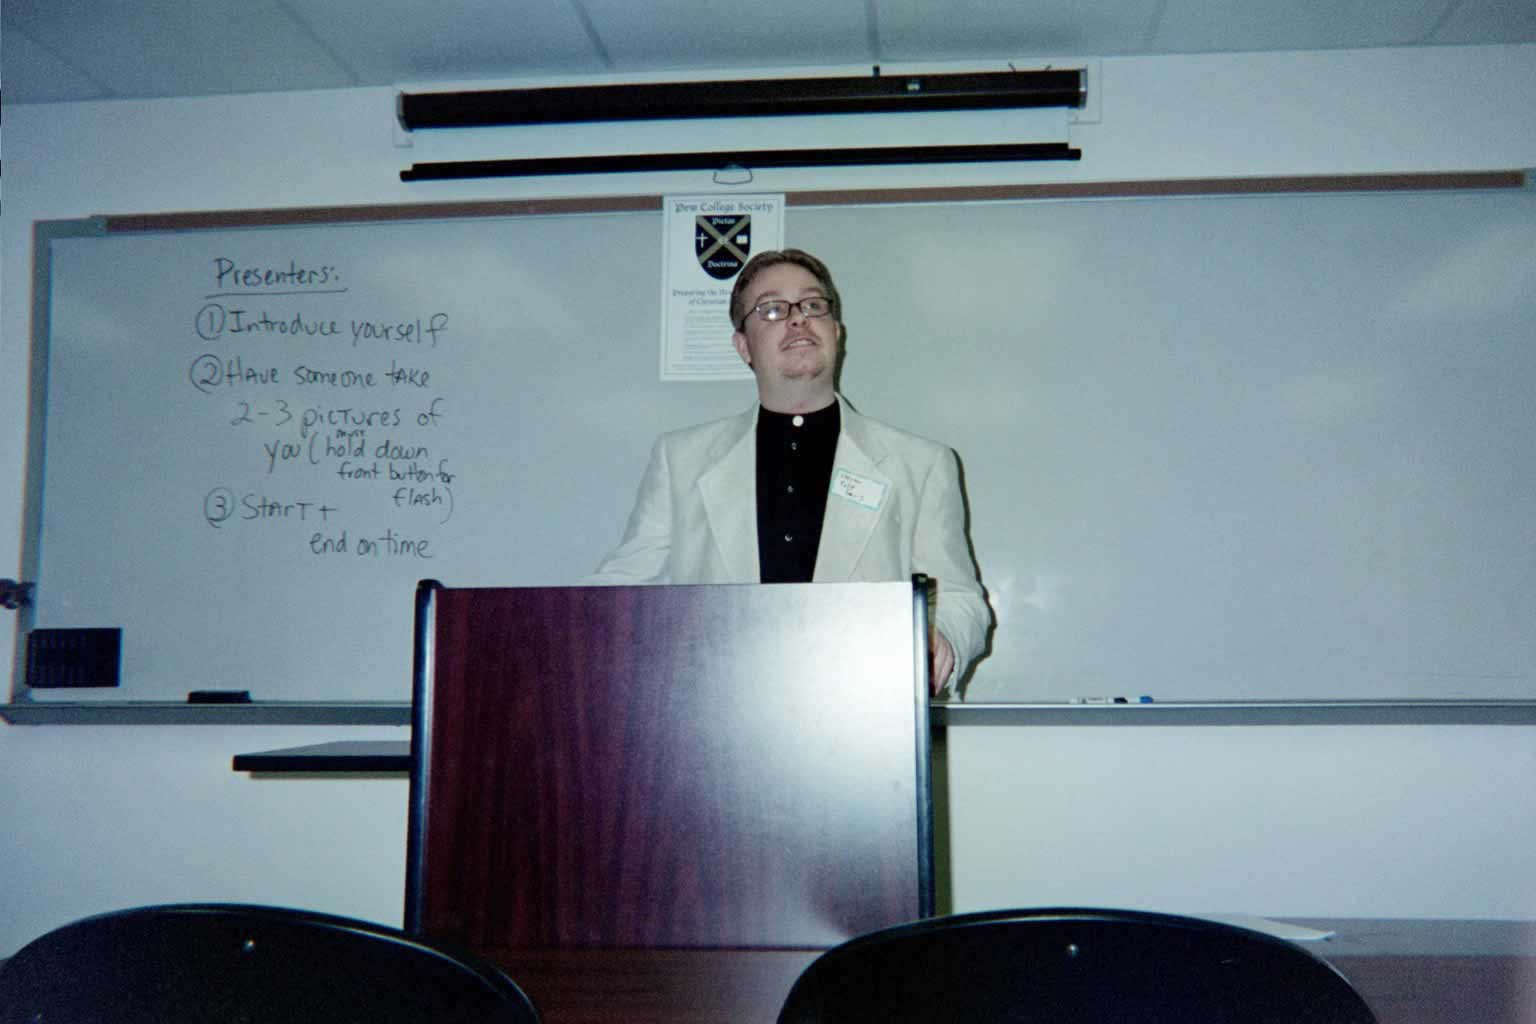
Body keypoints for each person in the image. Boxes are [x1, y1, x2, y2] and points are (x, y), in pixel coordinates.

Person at [588, 249, 990, 695]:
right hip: (713, 717)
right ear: (743, 346)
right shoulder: (680, 459)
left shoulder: (922, 463)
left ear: (836, 331)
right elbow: (619, 594)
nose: (797, 319)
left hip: (866, 718)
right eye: (772, 309)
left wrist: (944, 638)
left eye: (813, 304)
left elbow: (958, 597)